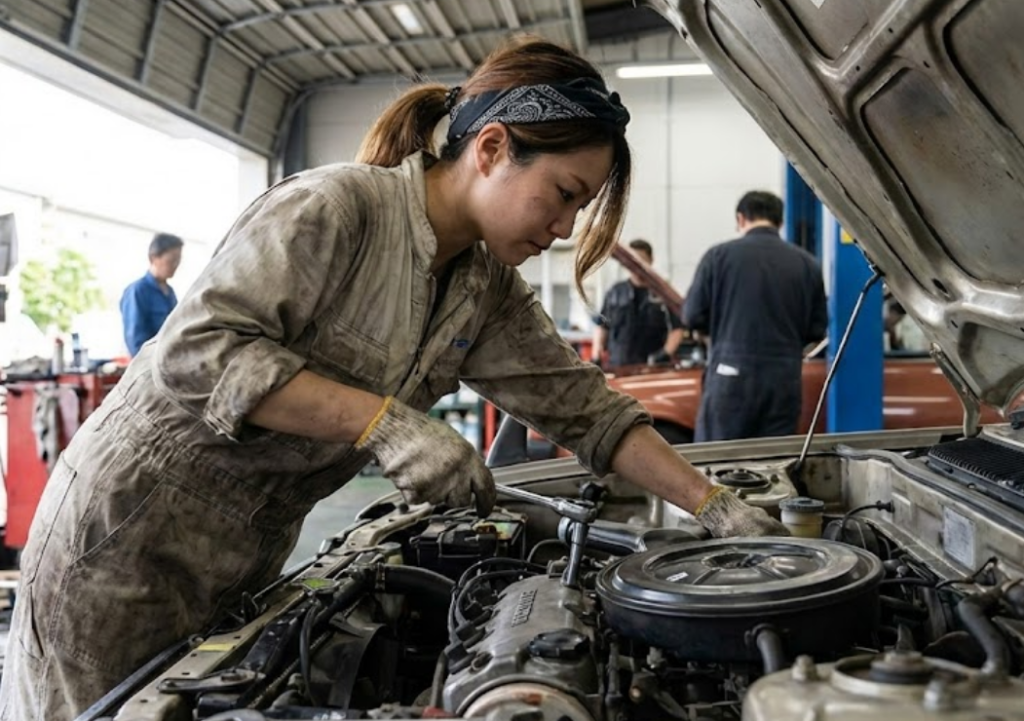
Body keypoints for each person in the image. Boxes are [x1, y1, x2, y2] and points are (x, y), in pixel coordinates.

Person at [0, 37, 787, 721]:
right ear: (491, 148)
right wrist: (384, 422)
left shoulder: (482, 285)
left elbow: (588, 411)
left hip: (243, 558)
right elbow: (195, 353)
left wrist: (713, 505)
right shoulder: (334, 209)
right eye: (563, 196)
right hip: (124, 545)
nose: (562, 229)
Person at [683, 191, 827, 442]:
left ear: (740, 219)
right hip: (783, 380)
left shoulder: (718, 257)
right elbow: (816, 329)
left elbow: (692, 315)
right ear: (780, 222)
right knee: (775, 457)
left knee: (720, 459)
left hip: (730, 375)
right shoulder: (808, 264)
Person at [591, 239, 685, 367]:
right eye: (633, 261)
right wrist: (596, 354)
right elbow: (602, 326)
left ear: (651, 260)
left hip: (653, 368)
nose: (636, 266)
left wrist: (664, 354)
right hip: (618, 365)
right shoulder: (615, 293)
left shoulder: (663, 294)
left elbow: (677, 328)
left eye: (641, 260)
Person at [119, 232, 184, 356]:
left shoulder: (170, 293)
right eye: (171, 261)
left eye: (178, 261)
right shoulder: (138, 291)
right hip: (148, 364)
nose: (175, 266)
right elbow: (135, 342)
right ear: (153, 258)